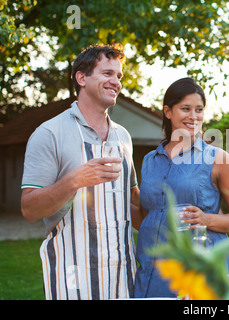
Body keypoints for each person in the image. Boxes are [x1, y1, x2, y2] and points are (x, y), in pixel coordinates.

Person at [21, 44, 141, 300]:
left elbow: (132, 202)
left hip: (122, 275)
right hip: (71, 275)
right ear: (81, 78)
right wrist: (75, 180)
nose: (116, 82)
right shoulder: (49, 133)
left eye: (119, 76)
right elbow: (30, 209)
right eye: (107, 73)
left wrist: (175, 221)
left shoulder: (123, 136)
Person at [134, 77, 229, 298]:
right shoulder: (149, 160)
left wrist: (207, 219)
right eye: (185, 108)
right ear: (168, 111)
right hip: (152, 273)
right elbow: (148, 217)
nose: (193, 116)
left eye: (199, 110)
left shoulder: (218, 159)